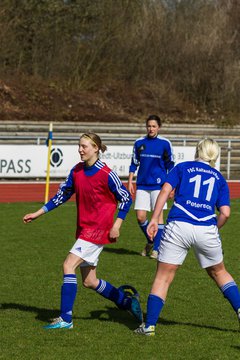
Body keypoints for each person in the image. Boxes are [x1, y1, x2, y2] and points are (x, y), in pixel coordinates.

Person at [23, 132, 143, 329]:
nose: (80, 149)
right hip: (84, 229)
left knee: (68, 265)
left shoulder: (106, 173)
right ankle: (126, 302)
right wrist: (38, 212)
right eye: (79, 146)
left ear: (95, 148)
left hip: (98, 229)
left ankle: (66, 319)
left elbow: (126, 198)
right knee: (90, 281)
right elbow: (62, 195)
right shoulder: (77, 171)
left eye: (84, 146)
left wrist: (117, 224)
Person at [134, 138, 240, 336]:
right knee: (219, 272)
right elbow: (225, 213)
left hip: (178, 225)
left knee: (164, 276)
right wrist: (215, 229)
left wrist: (156, 218)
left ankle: (149, 326)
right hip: (206, 229)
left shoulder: (182, 167)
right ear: (215, 156)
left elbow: (165, 190)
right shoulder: (219, 178)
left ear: (197, 151)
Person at [128, 114, 174, 259]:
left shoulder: (165, 143)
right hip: (142, 184)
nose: (151, 128)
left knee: (158, 217)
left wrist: (172, 186)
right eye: (149, 126)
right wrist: (130, 181)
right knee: (141, 217)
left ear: (158, 127)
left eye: (154, 126)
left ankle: (156, 249)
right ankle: (151, 241)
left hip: (159, 185)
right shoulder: (139, 143)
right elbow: (134, 162)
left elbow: (170, 166)